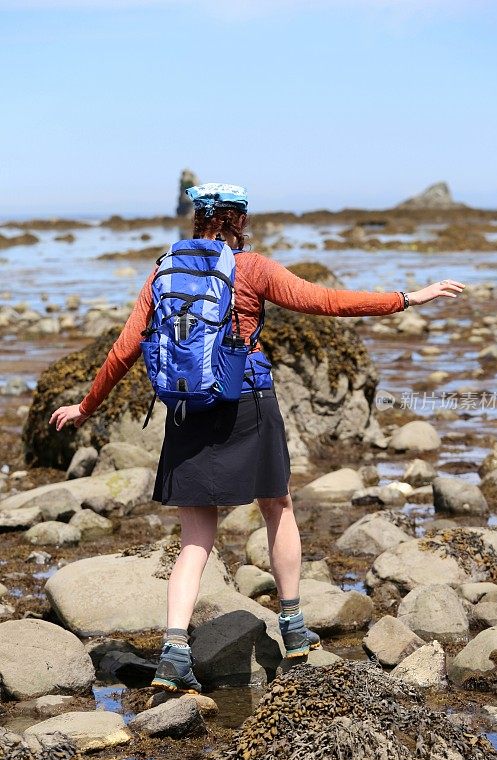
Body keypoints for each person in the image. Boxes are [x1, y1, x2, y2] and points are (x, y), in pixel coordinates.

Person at [49, 183, 465, 694]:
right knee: (279, 507)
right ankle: (292, 628)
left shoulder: (163, 272)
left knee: (195, 540)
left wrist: (85, 407)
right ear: (239, 220)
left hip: (186, 412)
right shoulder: (250, 268)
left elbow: (124, 349)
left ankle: (174, 654)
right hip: (247, 401)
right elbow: (327, 302)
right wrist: (405, 298)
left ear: (196, 220)